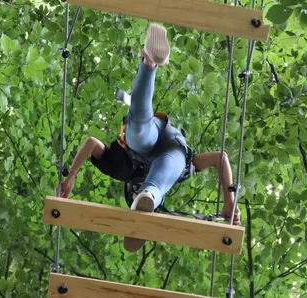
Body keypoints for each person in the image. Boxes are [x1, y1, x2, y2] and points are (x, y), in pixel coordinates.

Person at [58, 23, 241, 252]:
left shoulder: (120, 168)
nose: (136, 187)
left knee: (139, 127)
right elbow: (219, 158)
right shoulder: (180, 173)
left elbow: (92, 144)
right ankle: (150, 195)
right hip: (173, 151)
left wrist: (71, 175)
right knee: (157, 173)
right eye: (139, 194)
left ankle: (149, 62)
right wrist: (229, 202)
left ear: (128, 187)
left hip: (146, 143)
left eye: (133, 192)